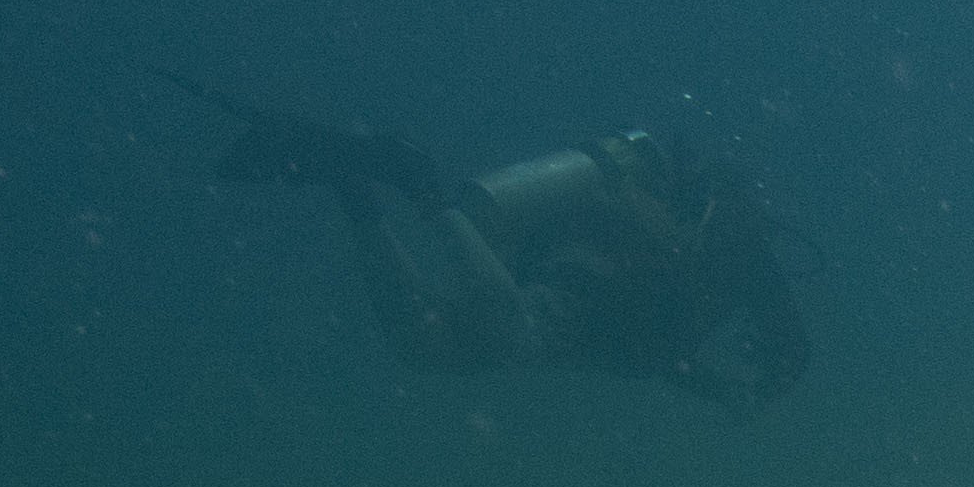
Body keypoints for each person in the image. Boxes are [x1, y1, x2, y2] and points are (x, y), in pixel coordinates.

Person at [194, 96, 813, 406]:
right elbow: (767, 346)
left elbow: (674, 361)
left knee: (426, 343)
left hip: (571, 273)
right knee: (508, 335)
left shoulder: (708, 265)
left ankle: (357, 190)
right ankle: (427, 193)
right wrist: (747, 390)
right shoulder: (738, 257)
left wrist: (724, 390)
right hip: (590, 291)